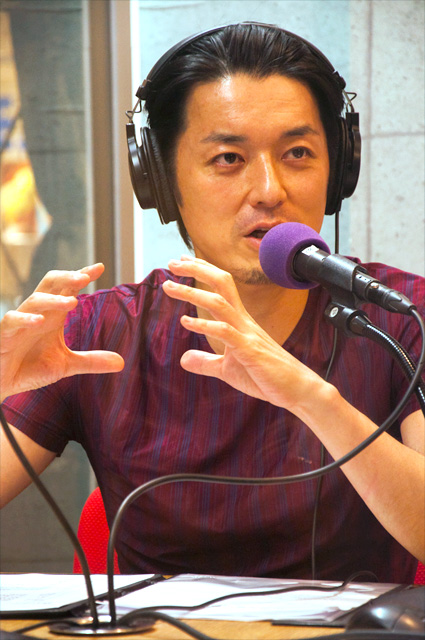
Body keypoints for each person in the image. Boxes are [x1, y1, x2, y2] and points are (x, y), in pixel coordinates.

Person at [0, 23, 424, 583]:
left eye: (298, 153)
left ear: (338, 169)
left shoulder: (399, 316)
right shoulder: (99, 334)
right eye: (228, 158)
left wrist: (312, 398)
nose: (269, 190)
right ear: (161, 182)